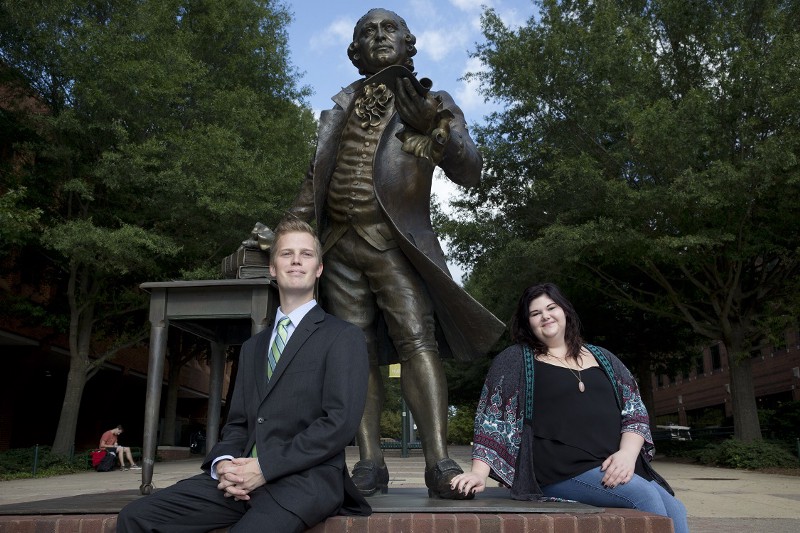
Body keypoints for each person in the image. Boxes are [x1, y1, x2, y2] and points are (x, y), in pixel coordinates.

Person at [285, 7, 504, 499]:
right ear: (354, 52)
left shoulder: (432, 101)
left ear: (409, 44)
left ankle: (439, 463)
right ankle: (369, 464)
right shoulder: (340, 108)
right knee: (352, 354)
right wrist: (287, 228)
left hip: (396, 244)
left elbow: (471, 171)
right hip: (339, 247)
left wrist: (438, 130)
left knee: (417, 343)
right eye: (367, 31)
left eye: (390, 29)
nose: (379, 36)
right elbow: (312, 181)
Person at [117, 220, 371, 533]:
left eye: (305, 254)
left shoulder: (343, 336)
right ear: (273, 269)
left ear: (318, 269)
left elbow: (339, 423)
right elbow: (237, 423)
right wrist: (223, 463)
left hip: (304, 481)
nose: (295, 260)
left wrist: (265, 467)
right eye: (286, 254)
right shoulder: (253, 347)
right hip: (239, 480)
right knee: (135, 517)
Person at [449, 283, 689, 533]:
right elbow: (492, 419)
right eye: (535, 313)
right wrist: (478, 473)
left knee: (675, 508)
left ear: (565, 311)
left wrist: (627, 455)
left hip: (613, 462)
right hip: (559, 469)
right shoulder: (516, 360)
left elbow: (635, 411)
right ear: (527, 323)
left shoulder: (603, 357)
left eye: (552, 307)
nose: (545, 316)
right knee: (645, 496)